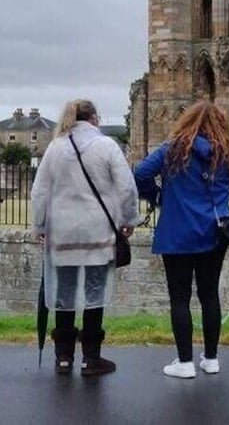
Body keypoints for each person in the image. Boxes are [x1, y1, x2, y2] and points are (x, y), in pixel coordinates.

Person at [31, 99, 139, 376]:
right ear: (94, 118)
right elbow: (126, 187)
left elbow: (40, 191)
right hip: (97, 231)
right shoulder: (106, 146)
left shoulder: (55, 147)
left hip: (62, 232)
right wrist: (128, 219)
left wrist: (40, 225)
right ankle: (91, 358)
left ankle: (63, 357)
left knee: (64, 294)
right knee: (95, 293)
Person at [134, 101, 229, 379]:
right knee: (209, 294)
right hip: (215, 231)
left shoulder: (173, 149)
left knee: (179, 298)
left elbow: (140, 174)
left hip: (178, 231)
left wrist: (158, 197)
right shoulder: (225, 152)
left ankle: (184, 362)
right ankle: (212, 358)